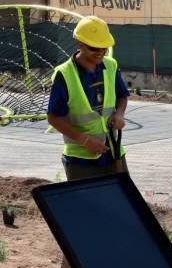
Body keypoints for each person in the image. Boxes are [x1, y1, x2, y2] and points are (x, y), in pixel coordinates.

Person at [46, 16, 129, 180]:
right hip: (81, 160)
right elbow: (53, 117)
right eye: (94, 48)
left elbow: (122, 96)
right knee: (87, 205)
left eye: (103, 48)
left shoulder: (111, 66)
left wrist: (119, 113)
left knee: (119, 201)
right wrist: (84, 140)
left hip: (114, 152)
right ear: (79, 43)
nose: (100, 53)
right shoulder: (64, 74)